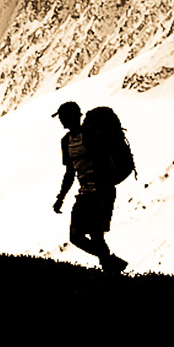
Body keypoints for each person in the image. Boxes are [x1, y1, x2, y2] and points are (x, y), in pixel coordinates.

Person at [52, 102, 128, 273]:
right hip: (86, 193)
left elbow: (105, 160)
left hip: (101, 192)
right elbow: (70, 172)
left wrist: (105, 187)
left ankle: (109, 270)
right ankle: (110, 262)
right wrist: (60, 198)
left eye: (63, 117)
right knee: (76, 236)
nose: (61, 121)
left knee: (95, 235)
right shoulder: (65, 142)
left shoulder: (92, 134)